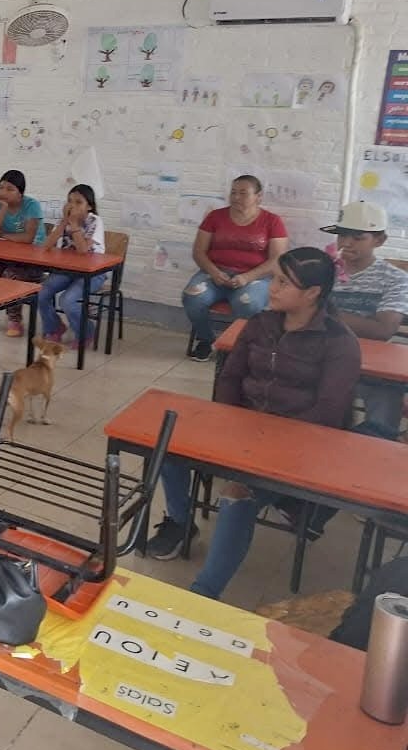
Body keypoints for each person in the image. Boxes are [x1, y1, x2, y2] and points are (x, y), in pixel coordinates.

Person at [148, 247, 360, 601]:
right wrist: (230, 425)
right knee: (168, 448)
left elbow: (328, 412)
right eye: (274, 279)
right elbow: (230, 379)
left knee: (237, 494)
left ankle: (202, 595)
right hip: (243, 430)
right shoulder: (261, 324)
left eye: (283, 283)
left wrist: (264, 442)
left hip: (297, 446)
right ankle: (180, 523)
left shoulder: (339, 342)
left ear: (312, 293)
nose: (271, 288)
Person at [323, 200, 408, 435]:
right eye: (342, 235)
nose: (346, 243)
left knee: (383, 410)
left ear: (379, 240)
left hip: (372, 369)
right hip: (321, 357)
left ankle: (374, 447)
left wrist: (322, 312)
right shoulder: (323, 270)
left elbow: (383, 330)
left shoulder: (395, 278)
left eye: (358, 237)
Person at [183, 175, 288, 361]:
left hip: (255, 277)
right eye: (233, 192)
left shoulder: (272, 221)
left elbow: (277, 259)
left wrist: (247, 277)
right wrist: (214, 272)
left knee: (248, 303)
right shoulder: (215, 217)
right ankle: (206, 340)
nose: (236, 197)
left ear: (258, 196)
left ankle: (239, 346)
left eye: (243, 193)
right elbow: (199, 252)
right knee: (192, 297)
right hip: (215, 274)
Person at [37, 184, 106, 348]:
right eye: (69, 201)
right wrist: (63, 223)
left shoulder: (94, 221)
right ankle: (54, 327)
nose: (72, 206)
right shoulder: (64, 221)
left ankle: (86, 332)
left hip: (93, 273)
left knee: (67, 300)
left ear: (89, 206)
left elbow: (83, 250)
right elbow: (46, 246)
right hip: (68, 270)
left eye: (78, 202)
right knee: (40, 293)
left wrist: (74, 225)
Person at [0, 169, 46, 338]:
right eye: (1, 187)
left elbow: (28, 238)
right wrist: (3, 208)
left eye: (10, 189)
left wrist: (3, 235)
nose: (3, 192)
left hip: (33, 261)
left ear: (20, 193)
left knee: (11, 275)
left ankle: (15, 319)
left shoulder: (32, 205)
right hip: (6, 256)